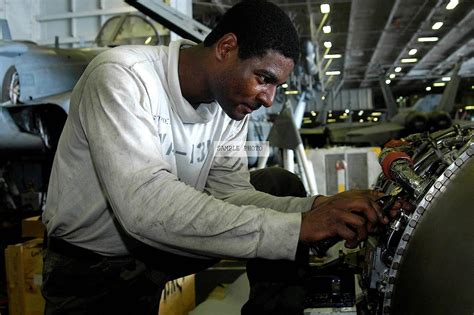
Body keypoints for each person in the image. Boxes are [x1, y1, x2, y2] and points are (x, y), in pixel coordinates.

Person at [41, 1, 398, 314]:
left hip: (157, 251)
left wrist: (321, 209)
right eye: (264, 78)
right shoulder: (122, 77)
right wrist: (299, 227)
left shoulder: (228, 108)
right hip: (93, 269)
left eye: (275, 86)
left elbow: (230, 195)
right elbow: (145, 207)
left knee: (278, 184)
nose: (269, 99)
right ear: (227, 47)